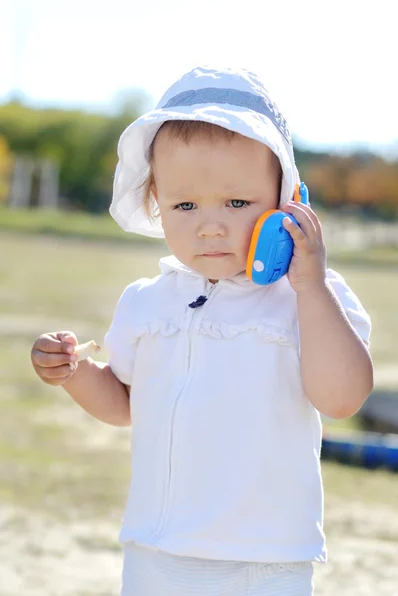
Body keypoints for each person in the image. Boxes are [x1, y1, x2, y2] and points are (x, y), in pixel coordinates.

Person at [31, 66, 374, 596]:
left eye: (237, 203)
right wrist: (74, 373)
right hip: (158, 551)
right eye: (184, 205)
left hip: (267, 559)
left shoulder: (308, 299)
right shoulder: (148, 302)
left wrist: (311, 289)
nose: (208, 225)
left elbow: (343, 398)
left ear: (286, 200)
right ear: (155, 203)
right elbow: (126, 403)